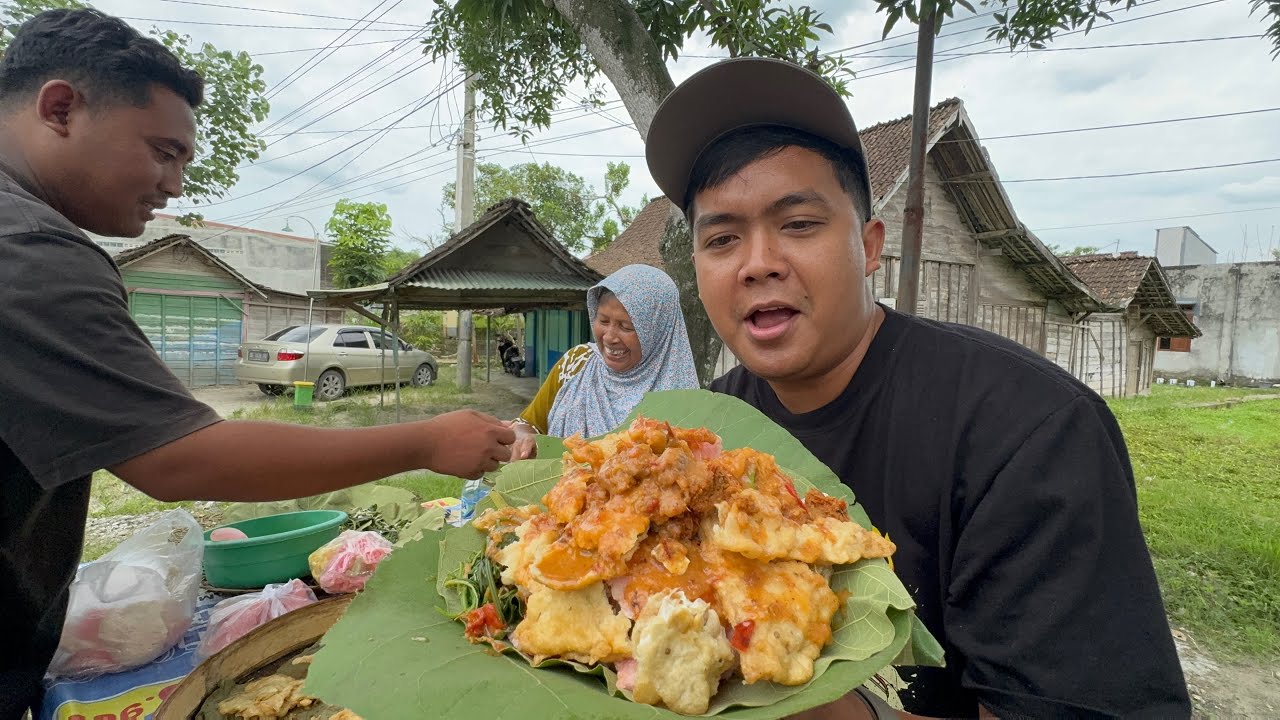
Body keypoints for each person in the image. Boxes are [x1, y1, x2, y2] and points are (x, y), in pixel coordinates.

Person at [0, 10, 514, 716]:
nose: (175, 184)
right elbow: (176, 459)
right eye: (162, 151)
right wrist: (424, 440)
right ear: (60, 108)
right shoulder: (30, 253)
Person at [644, 57, 1191, 719]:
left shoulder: (1028, 430)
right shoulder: (711, 439)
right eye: (723, 238)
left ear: (869, 246)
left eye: (799, 225)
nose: (759, 263)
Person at [510, 263, 699, 459]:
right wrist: (522, 436)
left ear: (658, 332)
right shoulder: (577, 364)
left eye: (626, 327)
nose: (609, 337)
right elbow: (529, 423)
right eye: (603, 321)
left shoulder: (684, 401)